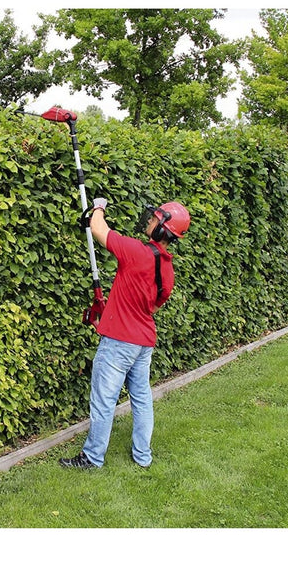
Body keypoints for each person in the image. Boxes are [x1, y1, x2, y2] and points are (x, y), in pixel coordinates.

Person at [59, 198, 190, 470]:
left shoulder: (135, 251)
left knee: (103, 400)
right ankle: (143, 456)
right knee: (141, 398)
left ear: (163, 229)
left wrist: (98, 206)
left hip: (120, 343)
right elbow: (151, 306)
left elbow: (99, 229)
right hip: (143, 342)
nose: (150, 221)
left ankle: (92, 457)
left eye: (155, 219)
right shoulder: (167, 269)